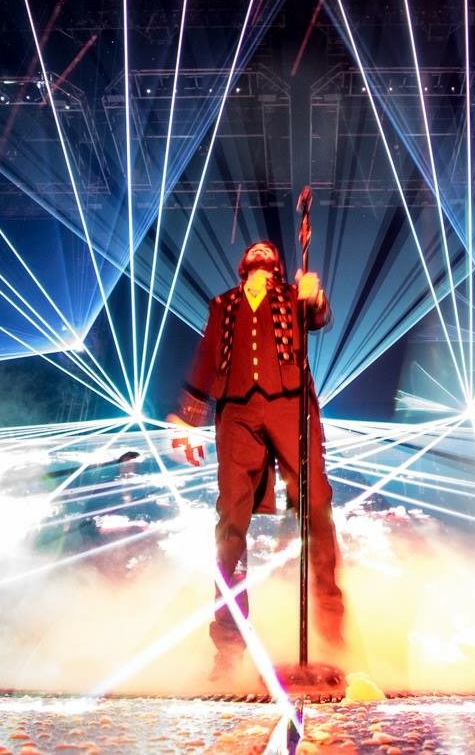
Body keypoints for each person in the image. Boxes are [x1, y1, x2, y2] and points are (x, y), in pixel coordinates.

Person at [168, 240, 344, 679]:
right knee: (230, 522)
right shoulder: (223, 304)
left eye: (269, 251)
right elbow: (208, 357)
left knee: (317, 504)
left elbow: (318, 318)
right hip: (237, 414)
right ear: (243, 265)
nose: (262, 252)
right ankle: (228, 643)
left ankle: (332, 625)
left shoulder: (292, 294)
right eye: (255, 251)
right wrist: (189, 418)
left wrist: (314, 297)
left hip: (290, 408)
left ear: (277, 265)